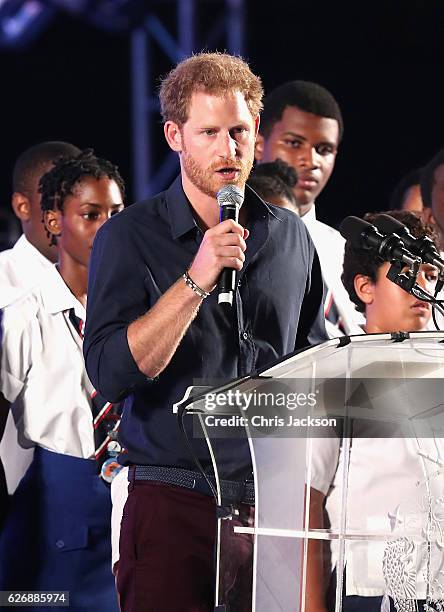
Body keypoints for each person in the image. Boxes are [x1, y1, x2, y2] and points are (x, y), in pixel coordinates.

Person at [83, 51, 328, 612]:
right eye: (209, 132)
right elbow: (112, 373)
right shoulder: (128, 236)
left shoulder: (291, 238)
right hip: (173, 502)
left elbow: (312, 368)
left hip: (272, 510)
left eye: (239, 131)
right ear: (175, 135)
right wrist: (197, 276)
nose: (228, 149)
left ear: (258, 133)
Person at [0, 149, 125, 610]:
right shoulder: (23, 316)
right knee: (41, 603)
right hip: (54, 504)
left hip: (131, 498)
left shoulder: (144, 310)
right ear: (54, 221)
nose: (108, 227)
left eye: (116, 213)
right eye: (91, 215)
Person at [307, 210, 441, 612]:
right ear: (366, 288)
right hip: (370, 588)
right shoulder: (333, 377)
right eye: (405, 273)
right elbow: (306, 508)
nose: (422, 287)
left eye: (430, 273)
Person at [0, 141, 81, 509]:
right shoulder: (5, 286)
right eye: (53, 198)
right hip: (23, 506)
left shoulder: (112, 284)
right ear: (22, 206)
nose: (63, 214)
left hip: (107, 500)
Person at [255, 80, 360, 337]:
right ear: (258, 145)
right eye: (294, 143)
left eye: (324, 149)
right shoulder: (230, 238)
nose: (311, 160)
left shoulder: (340, 247)